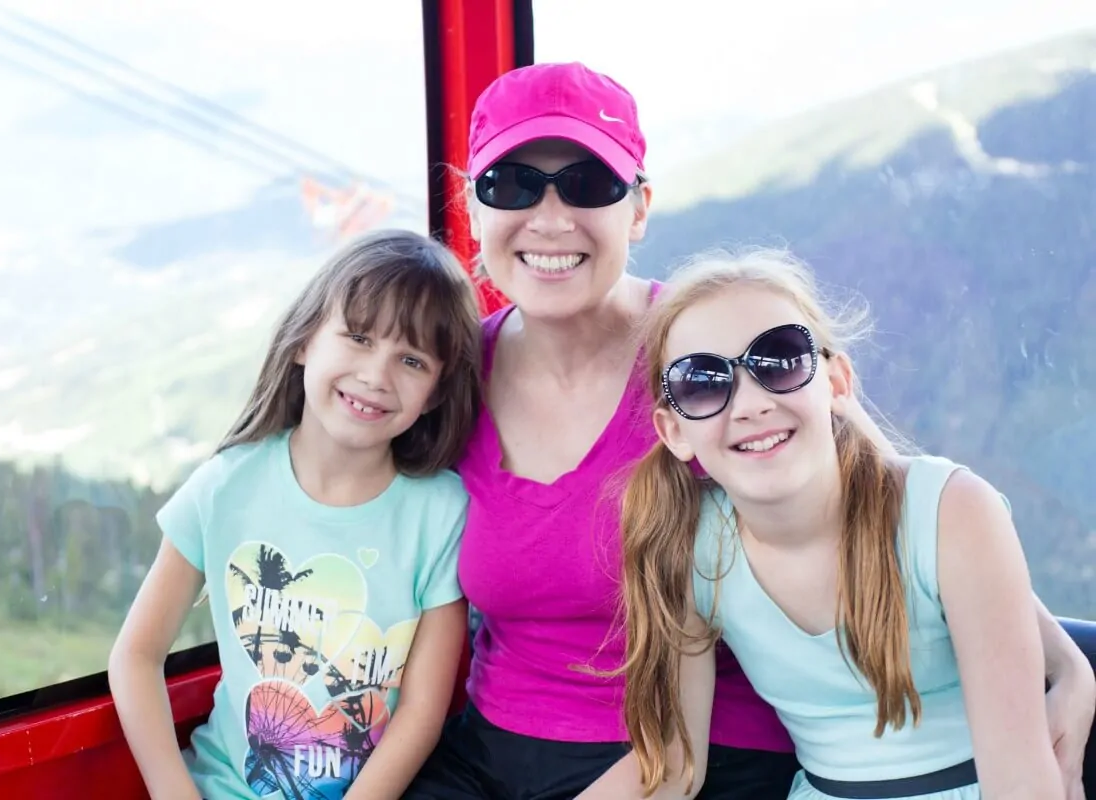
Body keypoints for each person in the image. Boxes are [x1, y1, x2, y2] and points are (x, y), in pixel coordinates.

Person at [403, 61, 1096, 799]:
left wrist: (1063, 659)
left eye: (588, 184)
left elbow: (892, 499)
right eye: (509, 185)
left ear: (638, 210)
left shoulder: (723, 345)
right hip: (494, 747)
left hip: (716, 752)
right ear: (471, 208)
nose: (549, 218)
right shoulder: (444, 376)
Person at [615, 247, 1083, 799]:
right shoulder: (696, 549)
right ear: (674, 433)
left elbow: (1020, 780)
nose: (749, 404)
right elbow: (673, 772)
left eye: (780, 360)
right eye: (702, 382)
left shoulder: (951, 514)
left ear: (836, 383)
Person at [108, 229, 483, 800]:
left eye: (410, 359)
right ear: (305, 338)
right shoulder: (226, 486)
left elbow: (421, 714)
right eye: (358, 337)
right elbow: (136, 655)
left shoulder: (441, 515)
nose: (376, 376)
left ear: (435, 392)